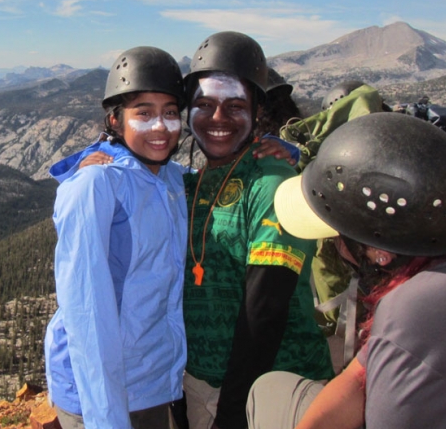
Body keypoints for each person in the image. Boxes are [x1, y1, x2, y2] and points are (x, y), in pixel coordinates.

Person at [247, 112, 446, 429]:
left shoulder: (411, 309)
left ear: (377, 253)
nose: (333, 245)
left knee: (269, 394)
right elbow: (359, 374)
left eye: (335, 235)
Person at [179, 31, 333, 429]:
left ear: (256, 109)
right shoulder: (192, 183)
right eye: (204, 105)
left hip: (270, 393)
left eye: (234, 105)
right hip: (201, 385)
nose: (218, 118)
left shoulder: (271, 181)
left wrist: (231, 414)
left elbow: (265, 309)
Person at [44, 46, 188, 429]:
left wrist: (279, 151)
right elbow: (88, 314)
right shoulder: (97, 185)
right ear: (114, 119)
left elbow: (218, 175)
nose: (160, 126)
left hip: (152, 381)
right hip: (103, 394)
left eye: (170, 113)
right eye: (143, 113)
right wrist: (106, 419)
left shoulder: (170, 177)